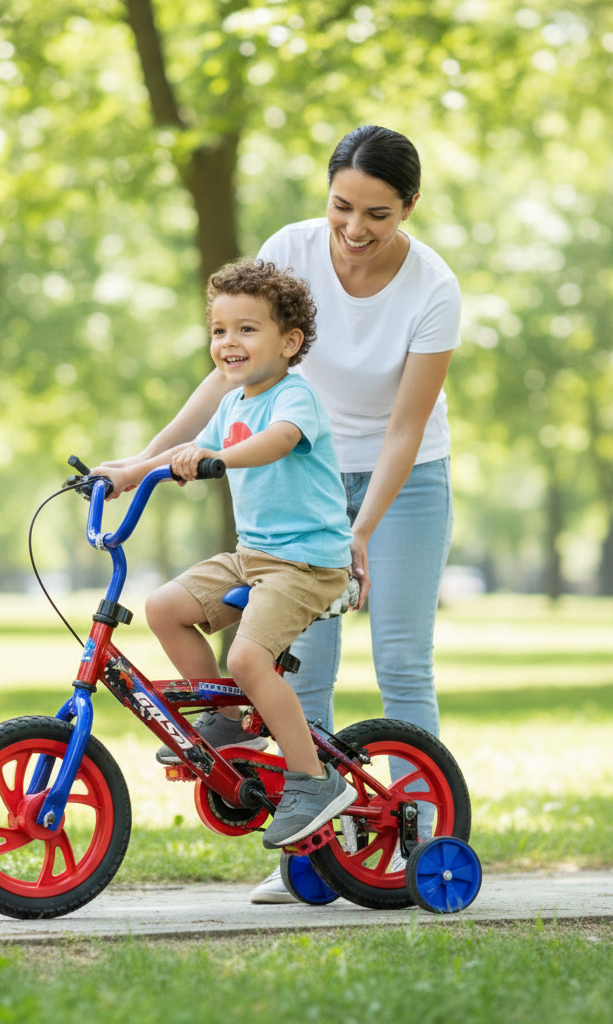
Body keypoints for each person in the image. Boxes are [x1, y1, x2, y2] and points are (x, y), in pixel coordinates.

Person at [101, 125, 460, 898]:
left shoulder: (432, 287)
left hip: (402, 477)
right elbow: (229, 377)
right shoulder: (289, 252)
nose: (354, 230)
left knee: (402, 659)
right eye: (341, 206)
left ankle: (418, 843)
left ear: (409, 207)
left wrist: (358, 532)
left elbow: (405, 427)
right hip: (298, 478)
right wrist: (141, 463)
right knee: (304, 668)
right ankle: (313, 855)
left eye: (378, 214)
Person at [102, 259, 357, 849]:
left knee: (247, 659)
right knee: (164, 608)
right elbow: (190, 448)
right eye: (219, 330)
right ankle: (228, 725)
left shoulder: (295, 397)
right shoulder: (233, 403)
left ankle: (313, 781)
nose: (228, 341)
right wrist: (128, 473)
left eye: (247, 329)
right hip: (254, 555)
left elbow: (277, 442)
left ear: (288, 343)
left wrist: (217, 460)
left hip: (306, 563)